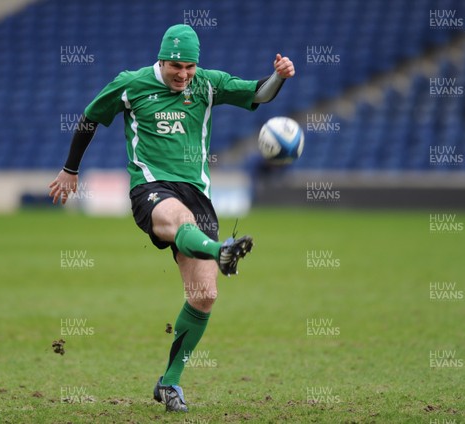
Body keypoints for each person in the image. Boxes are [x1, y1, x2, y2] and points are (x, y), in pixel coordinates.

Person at [49, 24, 295, 412]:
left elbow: (258, 93)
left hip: (197, 194)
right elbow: (89, 117)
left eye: (190, 67)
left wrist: (279, 77)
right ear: (161, 60)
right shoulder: (130, 84)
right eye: (176, 66)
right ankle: (221, 250)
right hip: (151, 188)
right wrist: (70, 169)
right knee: (180, 223)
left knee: (205, 295)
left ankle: (169, 383)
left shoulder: (208, 84)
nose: (183, 74)